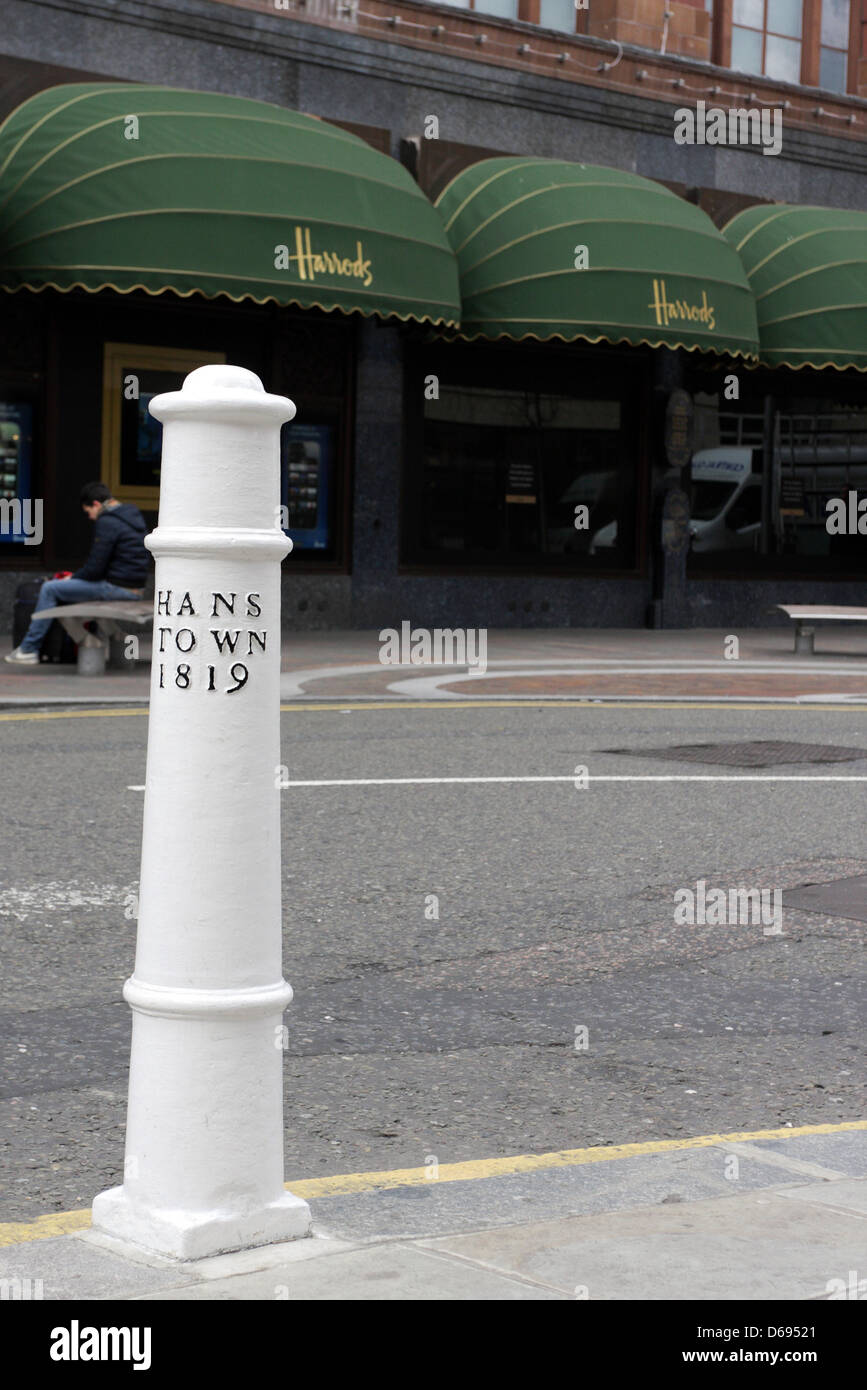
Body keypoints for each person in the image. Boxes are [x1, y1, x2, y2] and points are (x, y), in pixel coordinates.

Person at [5, 482, 150, 664]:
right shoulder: (132, 516)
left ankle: (28, 649)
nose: (90, 517)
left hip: (117, 589)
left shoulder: (108, 521)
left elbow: (95, 567)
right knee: (65, 590)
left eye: (88, 511)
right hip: (135, 589)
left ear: (96, 504)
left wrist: (72, 578)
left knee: (50, 589)